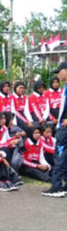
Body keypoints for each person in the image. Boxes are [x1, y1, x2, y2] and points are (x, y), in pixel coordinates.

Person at [42, 62, 67, 197]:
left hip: (64, 130)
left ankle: (56, 187)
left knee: (59, 157)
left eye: (59, 72)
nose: (58, 75)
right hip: (62, 126)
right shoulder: (65, 87)